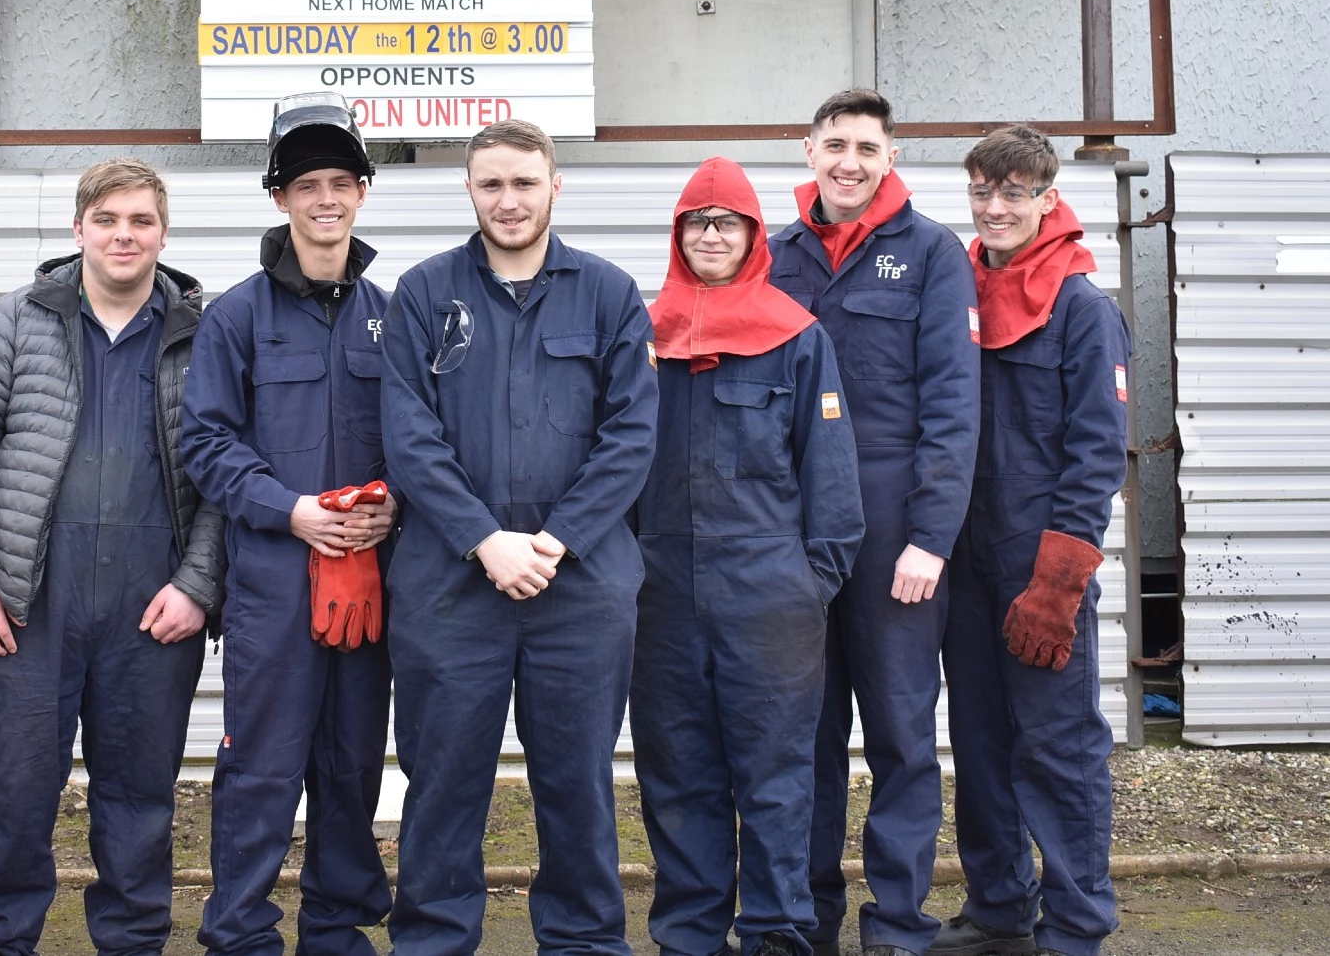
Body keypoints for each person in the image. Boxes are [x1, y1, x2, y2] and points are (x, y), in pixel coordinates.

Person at [0, 157, 226, 956]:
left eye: (140, 221)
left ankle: (131, 941)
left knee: (138, 799)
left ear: (163, 233)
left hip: (151, 608)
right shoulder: (19, 319)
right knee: (13, 789)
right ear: (78, 229)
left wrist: (199, 585)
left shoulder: (201, 333)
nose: (123, 235)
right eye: (107, 219)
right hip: (27, 607)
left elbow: (227, 474)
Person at [380, 119, 659, 956]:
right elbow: (408, 435)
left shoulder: (609, 295)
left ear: (554, 187)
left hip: (579, 589)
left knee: (576, 784)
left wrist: (556, 539)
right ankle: (432, 939)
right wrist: (484, 539)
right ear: (469, 189)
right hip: (448, 586)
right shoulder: (424, 295)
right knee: (443, 781)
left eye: (524, 183)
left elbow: (631, 436)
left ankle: (582, 939)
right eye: (491, 184)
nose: (509, 200)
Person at [633, 157, 869, 956]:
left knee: (774, 776)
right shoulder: (642, 337)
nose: (709, 234)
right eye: (695, 221)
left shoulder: (798, 338)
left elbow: (832, 480)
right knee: (677, 772)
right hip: (659, 594)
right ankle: (690, 934)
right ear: (677, 234)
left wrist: (808, 586)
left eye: (725, 221)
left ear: (751, 234)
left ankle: (777, 931)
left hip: (770, 596)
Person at [182, 94, 397, 956]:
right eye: (306, 183)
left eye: (340, 181)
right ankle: (239, 932)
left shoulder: (395, 311)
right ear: (280, 198)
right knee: (262, 766)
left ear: (362, 192)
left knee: (350, 765)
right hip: (275, 583)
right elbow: (206, 440)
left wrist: (396, 505)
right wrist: (295, 510)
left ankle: (337, 929)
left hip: (372, 585)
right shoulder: (236, 316)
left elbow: (424, 435)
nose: (325, 199)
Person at [766, 90, 980, 956]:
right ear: (808, 151)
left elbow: (953, 407)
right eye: (834, 144)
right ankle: (803, 919)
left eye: (866, 146)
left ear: (890, 157)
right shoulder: (773, 256)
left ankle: (898, 922)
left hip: (897, 534)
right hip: (794, 534)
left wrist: (931, 535)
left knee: (898, 732)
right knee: (802, 736)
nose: (849, 161)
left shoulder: (931, 256)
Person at [934, 126, 1128, 956]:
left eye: (1013, 192)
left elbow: (1097, 455)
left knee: (1058, 746)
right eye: (982, 191)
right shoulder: (963, 293)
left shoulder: (1083, 311)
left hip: (1038, 565)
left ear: (1048, 198)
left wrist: (1058, 584)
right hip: (966, 558)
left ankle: (1079, 923)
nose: (994, 207)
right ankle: (999, 908)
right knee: (978, 741)